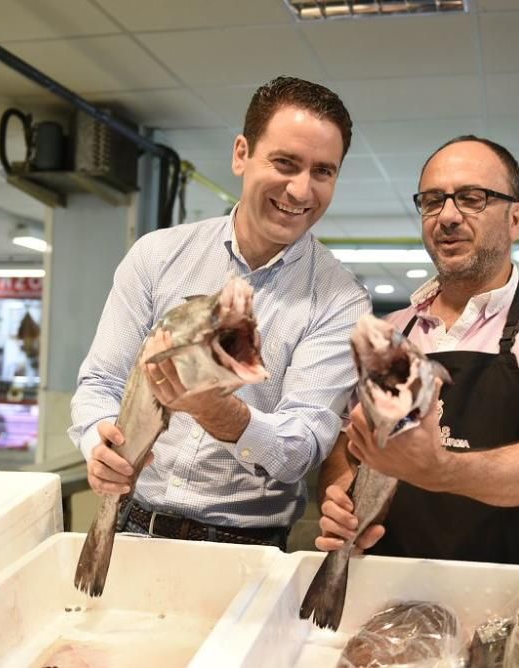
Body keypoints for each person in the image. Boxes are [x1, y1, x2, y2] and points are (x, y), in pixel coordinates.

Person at [69, 76, 371, 550]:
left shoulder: (341, 299)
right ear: (241, 154)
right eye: (285, 163)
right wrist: (97, 441)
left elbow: (306, 443)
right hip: (131, 524)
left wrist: (219, 412)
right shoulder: (157, 256)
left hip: (248, 544)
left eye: (322, 172)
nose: (300, 190)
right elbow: (101, 382)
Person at [315, 136, 519, 569]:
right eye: (433, 201)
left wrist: (439, 468)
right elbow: (350, 445)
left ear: (516, 217)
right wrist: (339, 497)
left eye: (472, 198)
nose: (448, 216)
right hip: (390, 582)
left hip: (514, 592)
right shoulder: (393, 332)